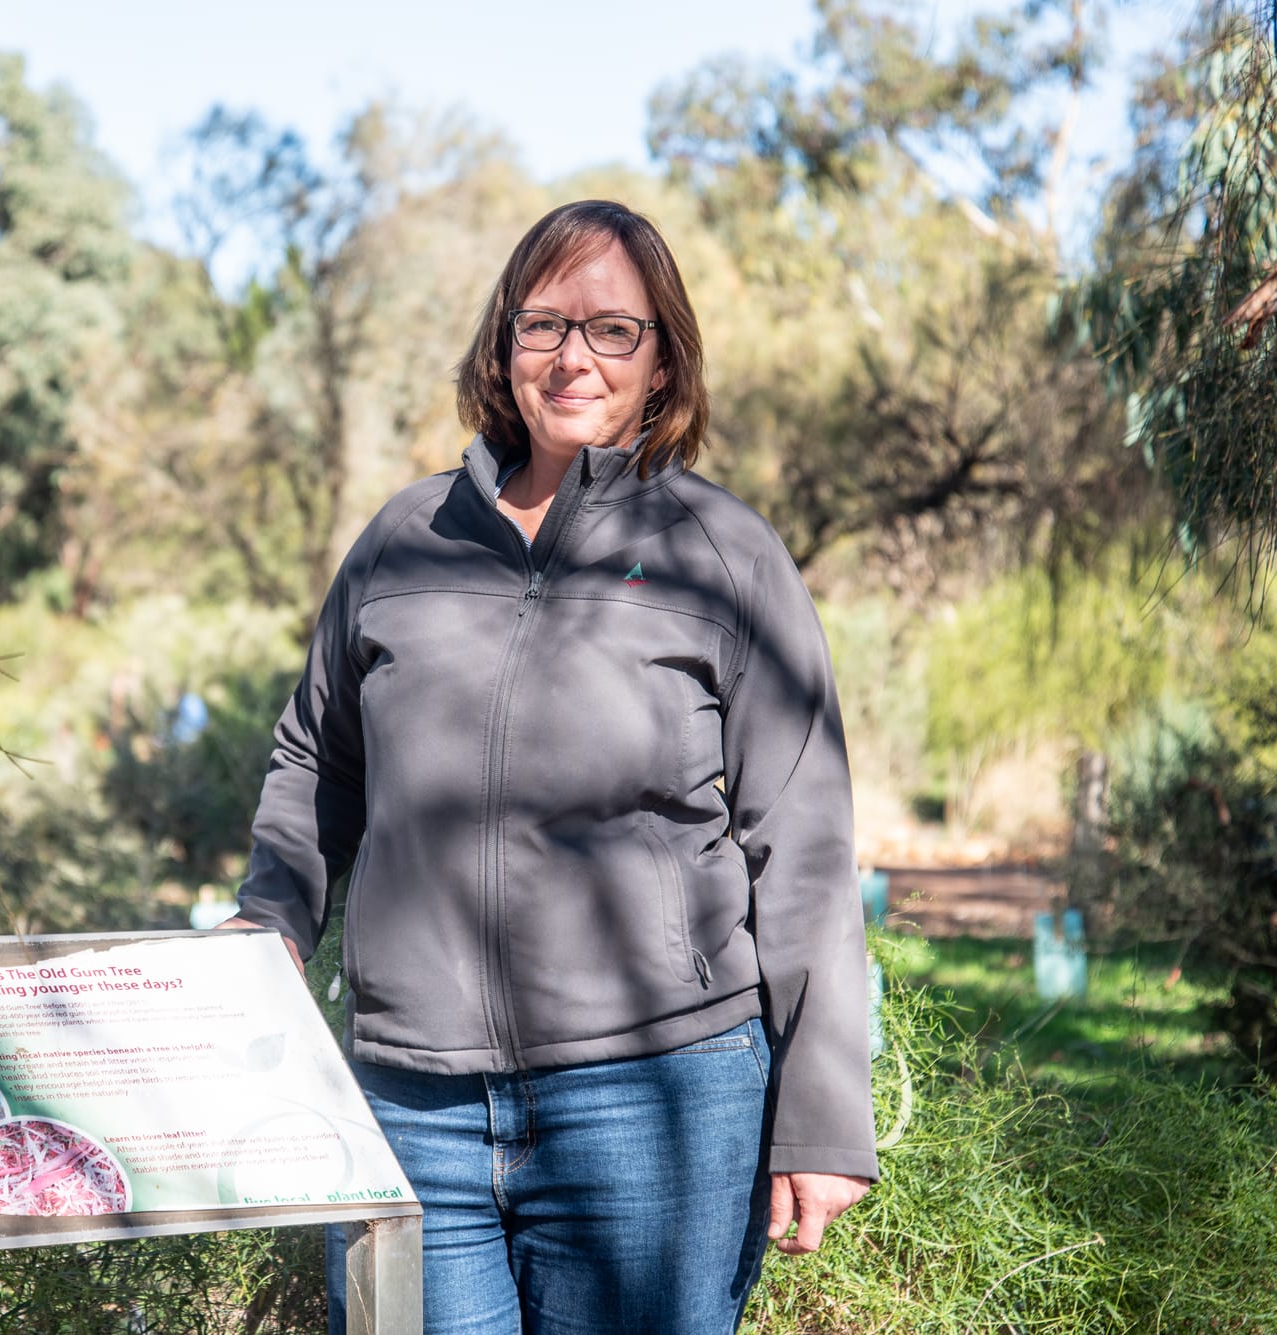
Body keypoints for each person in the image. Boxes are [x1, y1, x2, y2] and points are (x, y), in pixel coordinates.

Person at [220, 198, 877, 1334]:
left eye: (612, 330)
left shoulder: (724, 554)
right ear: (502, 347)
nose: (573, 356)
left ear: (661, 358)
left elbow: (803, 846)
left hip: (653, 1103)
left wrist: (819, 1119)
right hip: (405, 1105)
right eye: (542, 325)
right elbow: (315, 760)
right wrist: (272, 914)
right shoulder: (402, 541)